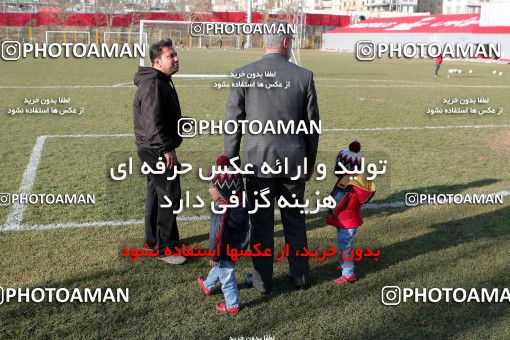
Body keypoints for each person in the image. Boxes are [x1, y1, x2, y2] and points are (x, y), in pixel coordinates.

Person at [224, 20, 320, 293]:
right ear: (286, 42)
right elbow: (312, 126)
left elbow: (233, 125)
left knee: (262, 223)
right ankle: (300, 276)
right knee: (294, 220)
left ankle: (262, 281)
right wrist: (309, 162)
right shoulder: (304, 76)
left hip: (258, 163)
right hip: (294, 162)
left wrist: (228, 164)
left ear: (266, 42)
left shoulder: (244, 74)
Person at [133, 38, 186, 265]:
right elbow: (152, 121)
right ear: (157, 61)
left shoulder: (160, 80)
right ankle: (166, 248)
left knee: (156, 195)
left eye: (175, 54)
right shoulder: (154, 83)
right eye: (170, 56)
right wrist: (167, 149)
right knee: (170, 196)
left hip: (151, 147)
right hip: (156, 149)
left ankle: (152, 240)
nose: (175, 59)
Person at [197, 155, 249, 314]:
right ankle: (208, 285)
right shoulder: (242, 202)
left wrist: (214, 255)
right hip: (238, 242)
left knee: (226, 273)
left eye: (211, 186)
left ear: (223, 189)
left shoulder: (221, 210)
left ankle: (232, 304)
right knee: (223, 266)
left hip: (225, 247)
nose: (208, 189)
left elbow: (217, 235)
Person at [326, 141, 376, 284]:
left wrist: (331, 209)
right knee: (347, 245)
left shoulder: (346, 183)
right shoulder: (358, 180)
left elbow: (337, 202)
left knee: (345, 247)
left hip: (345, 221)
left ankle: (348, 274)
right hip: (352, 220)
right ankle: (345, 265)